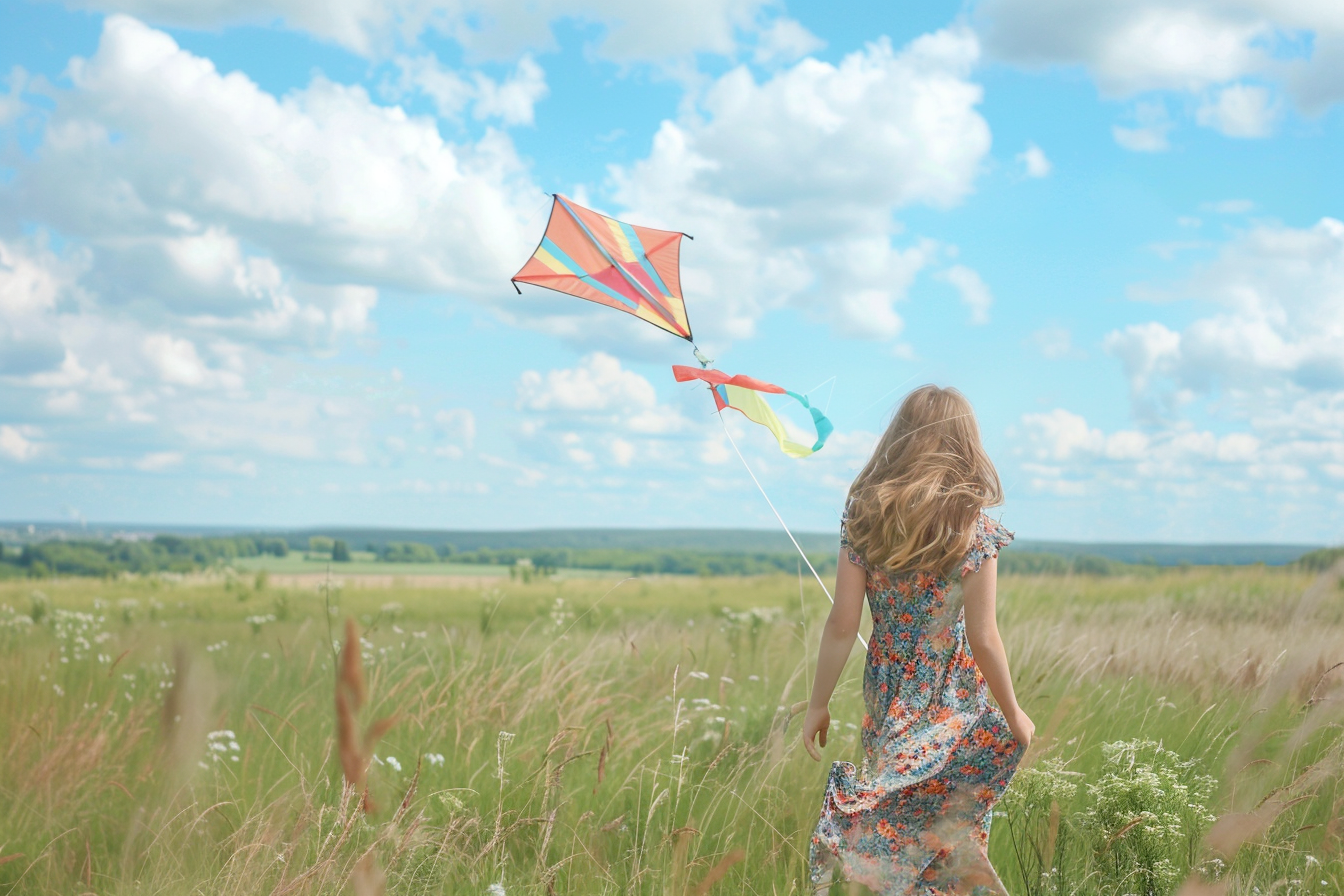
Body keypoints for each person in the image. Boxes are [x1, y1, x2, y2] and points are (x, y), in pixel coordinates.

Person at [802, 384, 1033, 895]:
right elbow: (983, 637)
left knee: (898, 827)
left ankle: (850, 859)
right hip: (955, 700)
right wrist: (1013, 713)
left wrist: (818, 703)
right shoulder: (971, 527)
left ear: (900, 438)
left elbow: (843, 623)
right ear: (965, 444)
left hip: (889, 698)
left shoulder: (866, 515)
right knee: (948, 835)